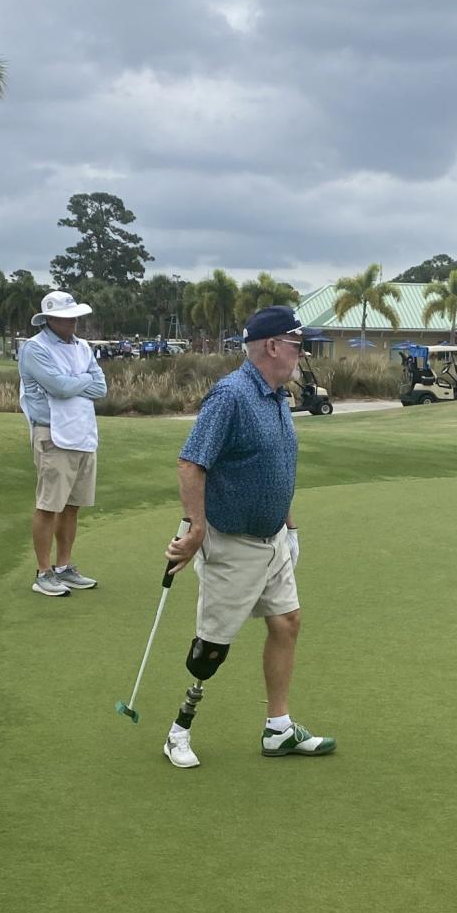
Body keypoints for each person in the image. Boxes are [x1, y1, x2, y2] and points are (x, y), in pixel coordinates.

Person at [161, 304, 336, 768]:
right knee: (210, 650)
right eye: (297, 345)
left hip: (274, 537)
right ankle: (178, 729)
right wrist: (197, 528)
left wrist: (289, 523)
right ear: (272, 346)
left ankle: (278, 730)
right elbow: (191, 463)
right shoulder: (232, 396)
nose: (302, 354)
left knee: (287, 622)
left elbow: (274, 466)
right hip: (232, 541)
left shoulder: (278, 395)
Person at [18, 290, 108, 597]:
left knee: (72, 506)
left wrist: (74, 383)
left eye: (75, 317)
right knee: (48, 505)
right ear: (50, 319)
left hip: (83, 433)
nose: (73, 323)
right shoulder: (35, 349)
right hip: (52, 434)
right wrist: (77, 382)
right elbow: (58, 386)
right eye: (66, 318)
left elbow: (101, 386)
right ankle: (43, 572)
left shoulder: (82, 347)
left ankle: (63, 567)